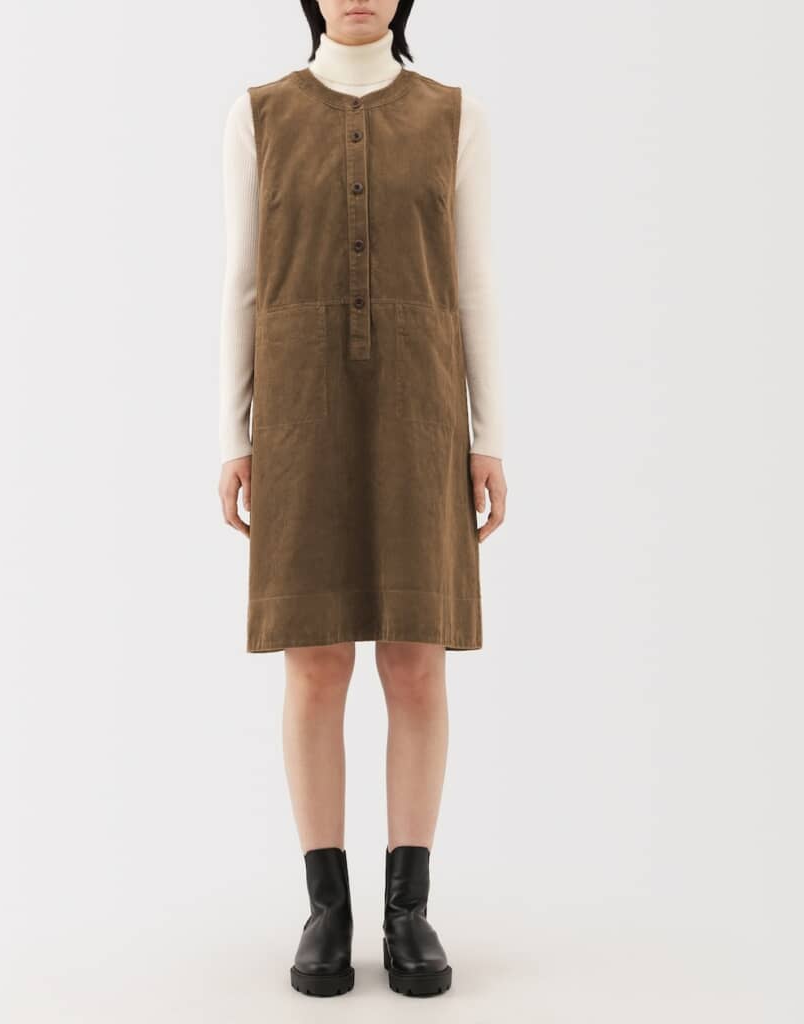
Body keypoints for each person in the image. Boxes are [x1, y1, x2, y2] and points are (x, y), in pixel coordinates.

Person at [217, 0, 507, 998]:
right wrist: (235, 435)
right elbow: (241, 282)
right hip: (299, 409)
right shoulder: (258, 114)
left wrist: (486, 434)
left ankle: (408, 909)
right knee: (315, 660)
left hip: (420, 408)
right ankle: (326, 910)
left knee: (416, 662)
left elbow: (473, 281)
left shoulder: (453, 114)